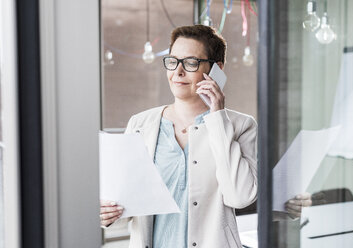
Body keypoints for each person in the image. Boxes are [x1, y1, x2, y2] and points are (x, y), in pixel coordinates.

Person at [99, 25, 309, 247]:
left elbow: (240, 196)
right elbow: (126, 208)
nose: (178, 72)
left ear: (216, 69)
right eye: (173, 61)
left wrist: (217, 115)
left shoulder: (241, 126)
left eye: (190, 63)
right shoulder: (140, 125)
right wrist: (108, 215)